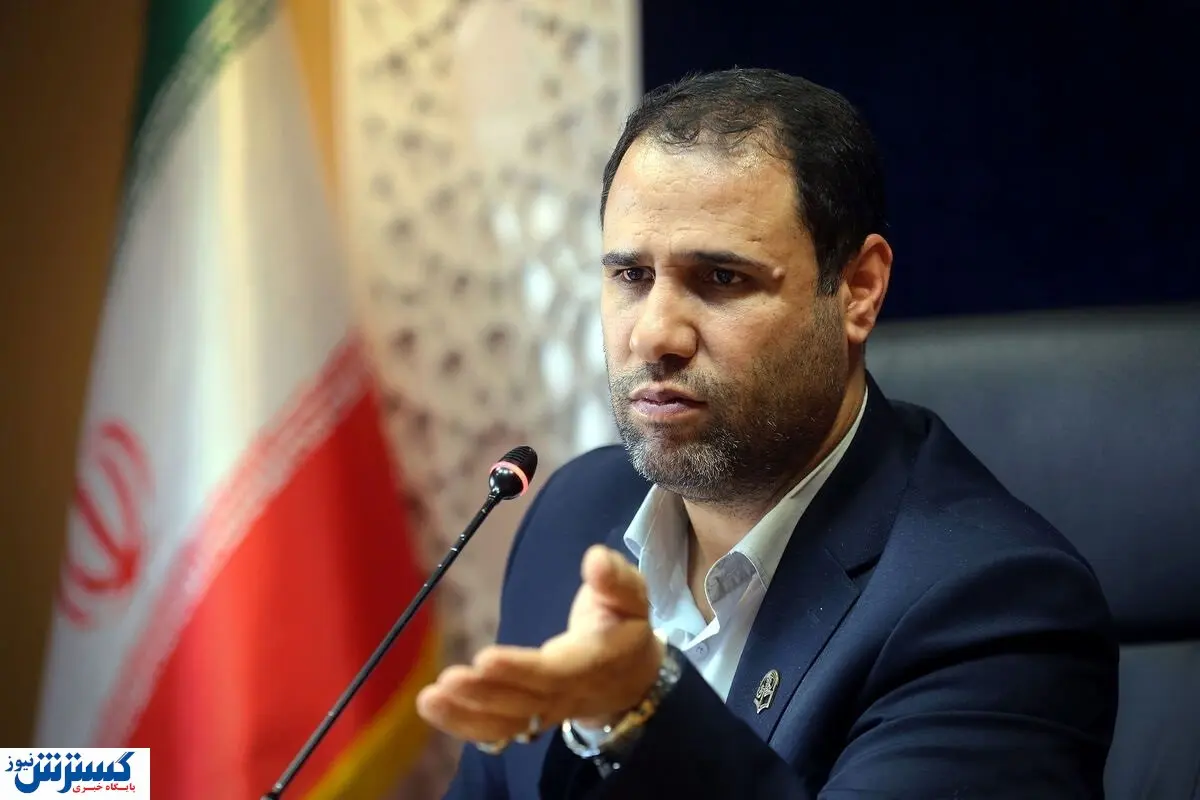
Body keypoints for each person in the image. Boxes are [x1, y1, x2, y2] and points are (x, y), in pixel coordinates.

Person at [416, 68, 1119, 798]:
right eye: (631, 276)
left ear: (859, 290)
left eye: (721, 279)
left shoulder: (993, 606)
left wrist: (642, 710)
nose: (654, 334)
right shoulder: (572, 513)